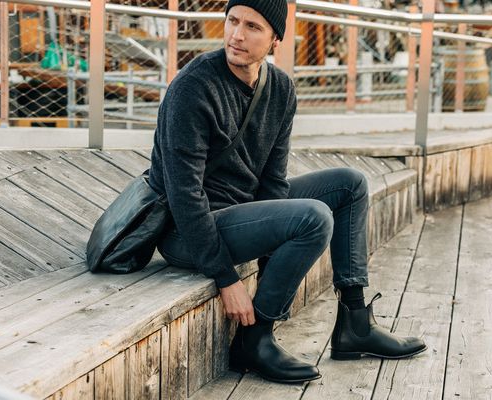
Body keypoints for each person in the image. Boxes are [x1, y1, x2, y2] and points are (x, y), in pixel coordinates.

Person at [148, 0, 426, 384]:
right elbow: (184, 195)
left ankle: (355, 323)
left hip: (244, 210)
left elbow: (273, 182)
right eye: (232, 21)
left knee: (350, 184)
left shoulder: (279, 89)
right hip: (187, 231)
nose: (237, 35)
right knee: (314, 218)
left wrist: (272, 252)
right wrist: (227, 279)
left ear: (275, 39)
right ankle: (254, 339)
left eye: (253, 27)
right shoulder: (193, 87)